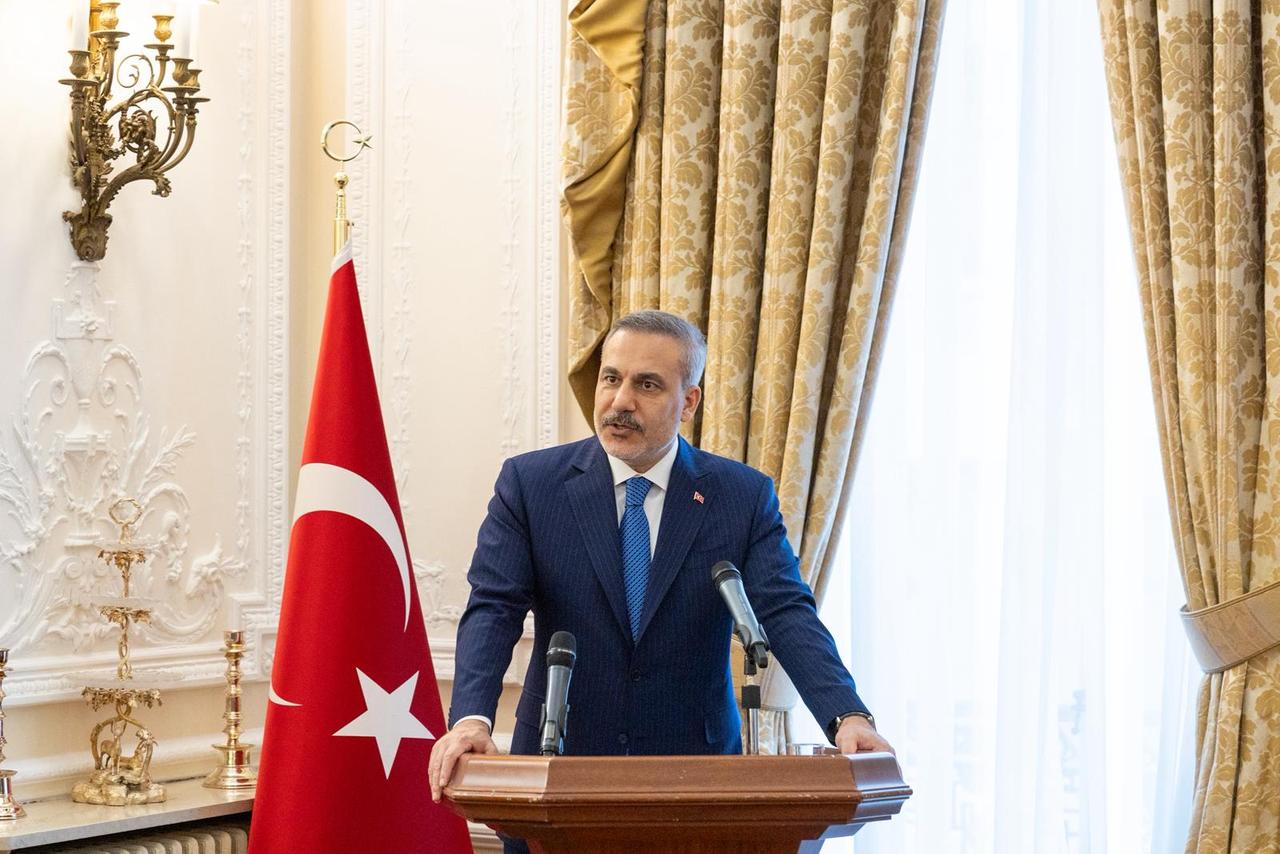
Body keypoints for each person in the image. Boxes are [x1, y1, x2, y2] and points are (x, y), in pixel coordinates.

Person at [429, 310, 892, 849]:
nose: (621, 401)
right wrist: (471, 718)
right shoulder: (532, 486)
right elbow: (493, 608)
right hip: (555, 779)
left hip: (698, 784)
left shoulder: (739, 497)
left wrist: (847, 716)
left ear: (688, 402)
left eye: (647, 384)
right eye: (611, 378)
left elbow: (787, 612)